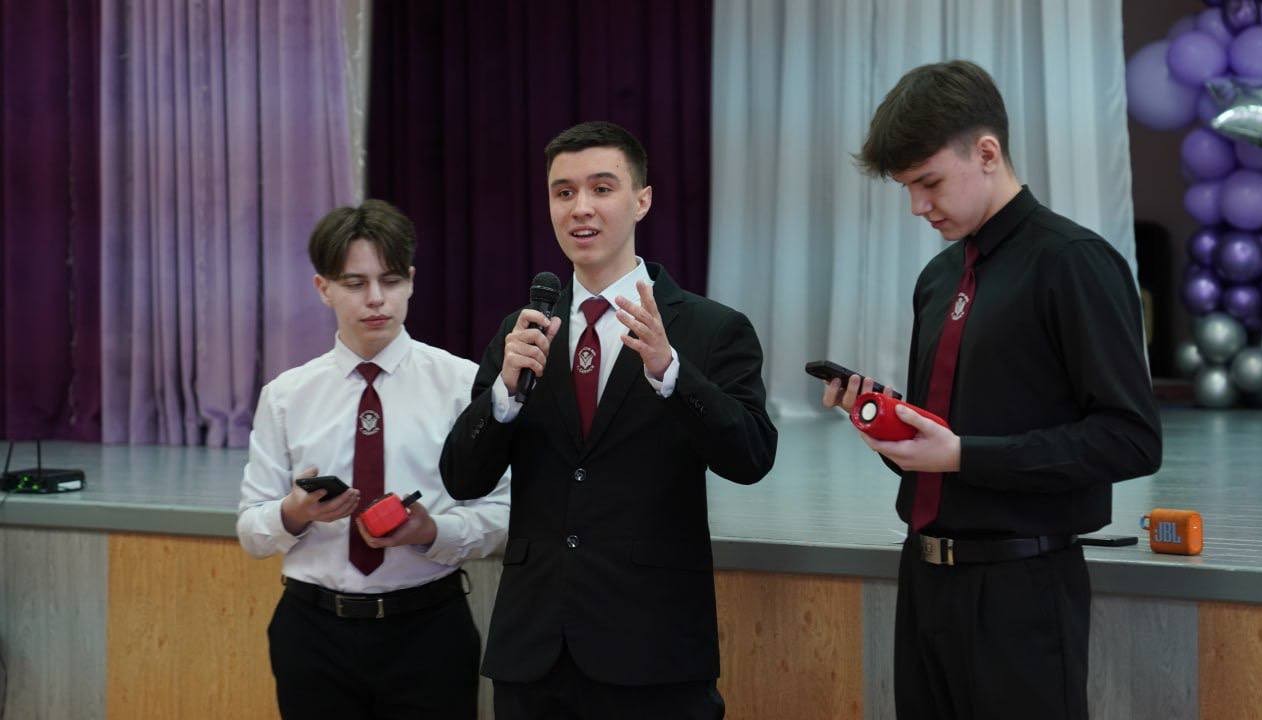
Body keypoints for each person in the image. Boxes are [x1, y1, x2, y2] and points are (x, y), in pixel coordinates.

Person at [825, 61, 1162, 720]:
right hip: (923, 580)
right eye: (907, 188)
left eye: (928, 182)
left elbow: (1131, 439)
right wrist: (891, 431)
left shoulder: (1074, 262)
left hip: (1022, 590)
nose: (918, 207)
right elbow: (947, 444)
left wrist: (963, 455)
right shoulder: (938, 278)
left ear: (987, 153)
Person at [440, 121, 777, 719]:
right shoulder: (523, 332)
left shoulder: (710, 329)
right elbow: (463, 478)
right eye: (563, 192)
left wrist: (672, 373)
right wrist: (503, 396)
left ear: (642, 200)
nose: (581, 208)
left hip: (654, 652)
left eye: (601, 188)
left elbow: (751, 456)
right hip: (534, 654)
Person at [237, 199, 510, 720]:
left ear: (411, 281)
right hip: (313, 632)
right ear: (324, 288)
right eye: (355, 283)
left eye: (390, 280)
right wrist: (294, 513)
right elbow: (251, 530)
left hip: (429, 629)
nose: (376, 299)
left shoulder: (463, 385)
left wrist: (432, 532)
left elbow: (504, 513)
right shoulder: (287, 395)